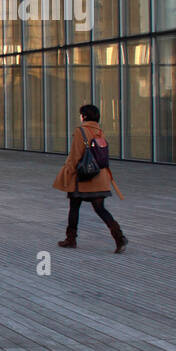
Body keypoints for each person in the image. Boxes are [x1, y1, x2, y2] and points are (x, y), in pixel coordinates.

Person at [53, 103, 128, 253]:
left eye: (81, 114)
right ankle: (119, 237)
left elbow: (75, 155)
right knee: (101, 209)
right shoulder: (99, 131)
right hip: (101, 177)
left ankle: (71, 239)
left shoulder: (81, 131)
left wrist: (67, 172)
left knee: (74, 207)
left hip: (83, 177)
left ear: (84, 116)